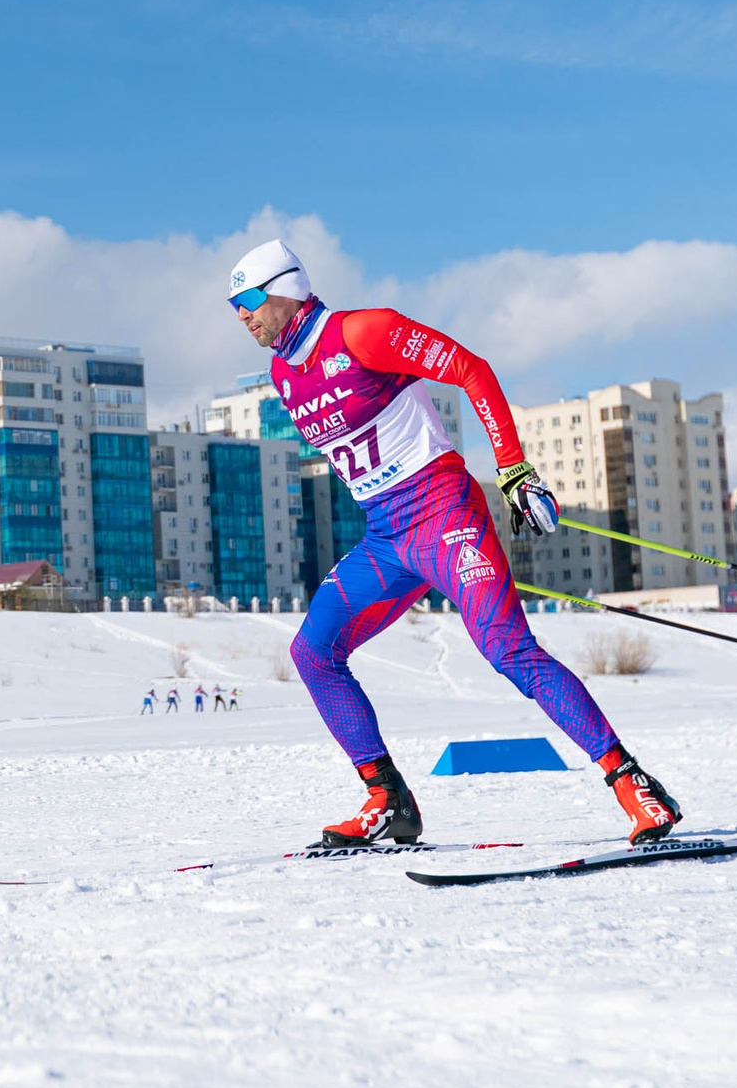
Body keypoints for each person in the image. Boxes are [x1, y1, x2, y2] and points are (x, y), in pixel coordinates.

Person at [227, 239, 682, 848]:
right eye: (234, 305)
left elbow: (472, 369)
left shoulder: (365, 331)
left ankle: (633, 785)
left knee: (507, 651)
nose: (242, 314)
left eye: (250, 299)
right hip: (387, 537)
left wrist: (515, 472)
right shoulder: (284, 373)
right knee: (313, 652)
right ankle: (388, 800)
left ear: (287, 287)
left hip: (446, 516)